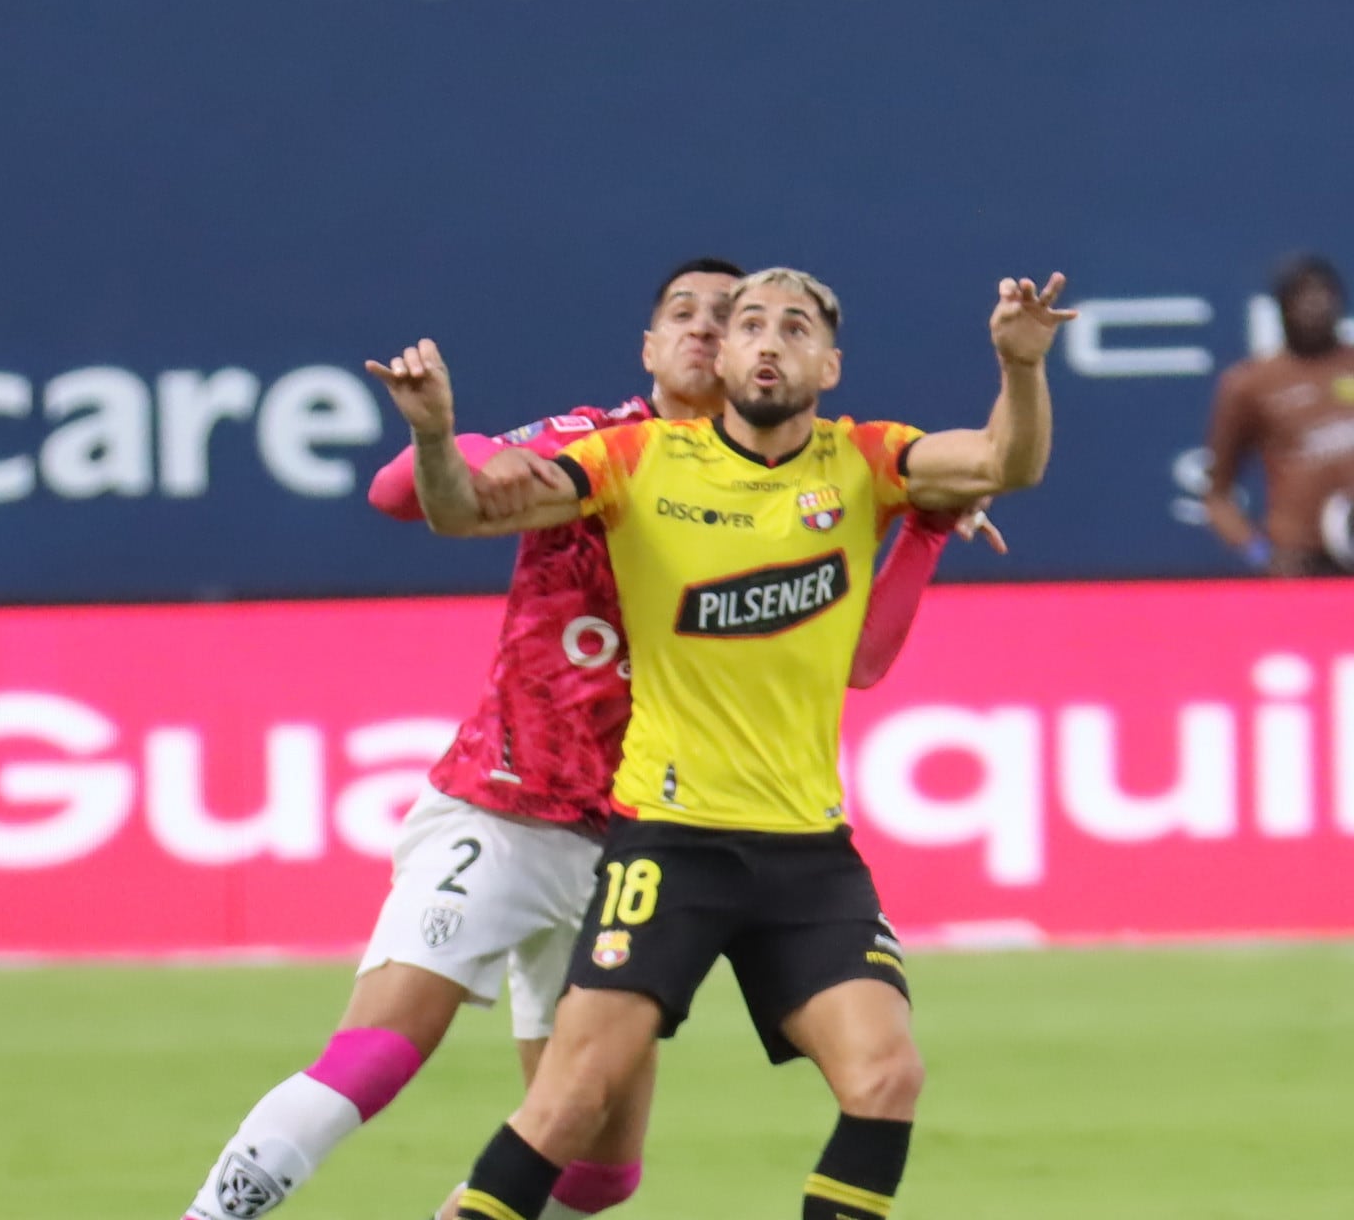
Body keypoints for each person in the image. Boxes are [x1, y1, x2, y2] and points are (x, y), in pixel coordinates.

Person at [177, 260, 990, 1220]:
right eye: (682, 314)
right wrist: (458, 439)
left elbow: (857, 660)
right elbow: (405, 493)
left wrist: (924, 531)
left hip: (645, 843)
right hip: (511, 803)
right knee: (380, 1051)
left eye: (727, 316)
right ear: (649, 347)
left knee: (600, 1172)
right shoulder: (594, 446)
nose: (707, 328)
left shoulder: (797, 482)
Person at [368, 267, 1071, 1220]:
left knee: (887, 1077)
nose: (769, 341)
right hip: (671, 844)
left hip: (809, 857)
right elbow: (461, 510)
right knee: (570, 1104)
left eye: (794, 327)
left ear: (830, 363)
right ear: (722, 355)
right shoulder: (638, 462)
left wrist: (1019, 365)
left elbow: (1006, 463)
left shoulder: (863, 460)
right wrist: (433, 434)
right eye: (749, 325)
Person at [1203, 254, 1354, 576]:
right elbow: (1217, 495)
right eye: (1302, 296)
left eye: (1325, 295)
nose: (1316, 306)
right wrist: (1259, 552)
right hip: (1295, 561)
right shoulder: (1249, 384)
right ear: (1281, 307)